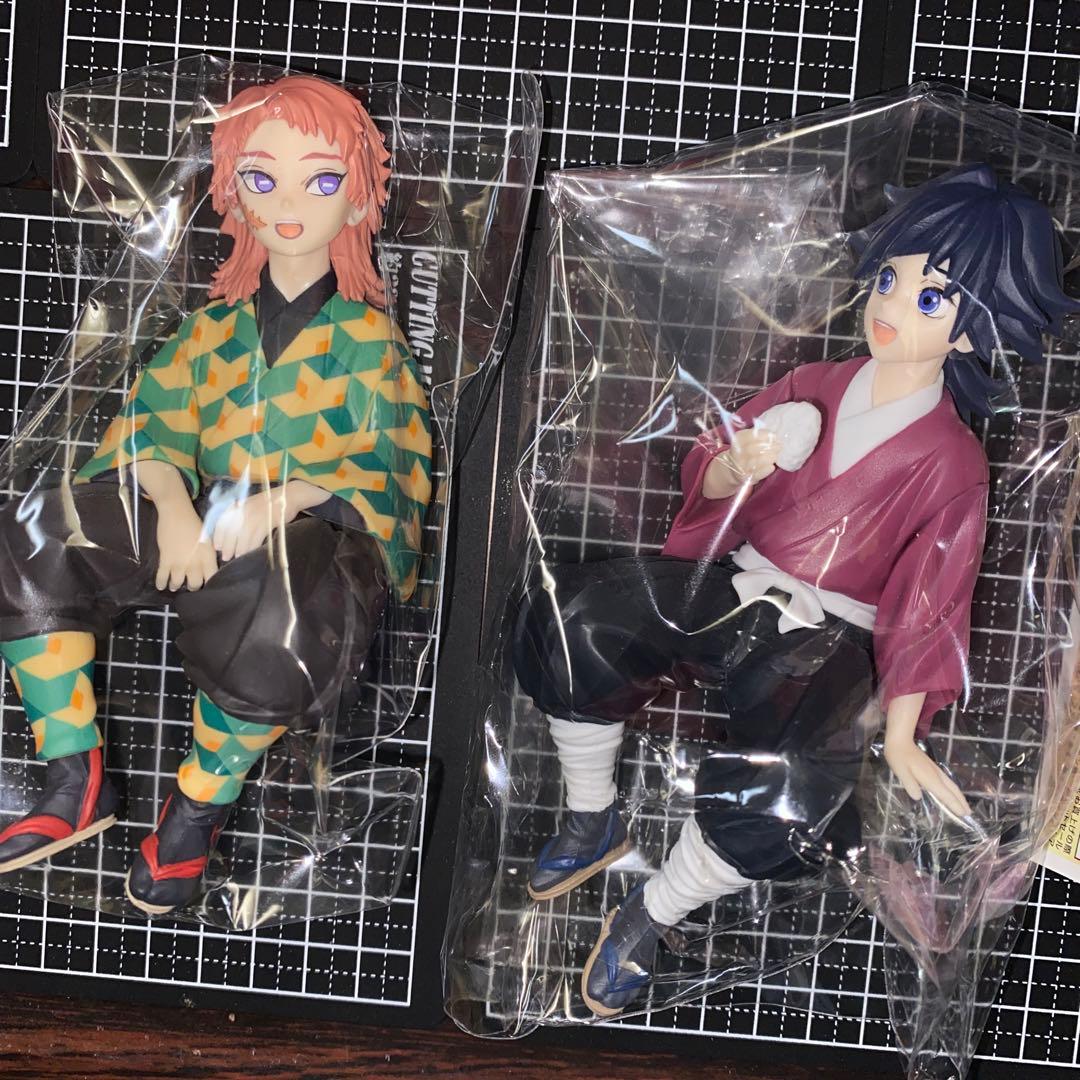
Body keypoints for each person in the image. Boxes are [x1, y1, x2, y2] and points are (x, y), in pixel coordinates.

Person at [512, 165, 1077, 1016]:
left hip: (824, 640)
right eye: (889, 280)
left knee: (794, 785)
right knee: (580, 618)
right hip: (738, 585)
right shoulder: (814, 385)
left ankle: (653, 911)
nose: (892, 306)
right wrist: (730, 468)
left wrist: (902, 734)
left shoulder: (952, 460)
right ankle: (592, 815)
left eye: (930, 299)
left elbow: (931, 599)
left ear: (973, 335)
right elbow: (715, 464)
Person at [0, 75, 432, 916]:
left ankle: (196, 809)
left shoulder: (368, 339)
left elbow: (386, 460)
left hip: (307, 536)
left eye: (321, 180)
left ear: (358, 200)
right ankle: (72, 776)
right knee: (37, 535)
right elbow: (150, 427)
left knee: (284, 616)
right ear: (233, 193)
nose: (289, 204)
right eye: (262, 179)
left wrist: (280, 503)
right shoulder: (210, 329)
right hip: (199, 512)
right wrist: (172, 509)